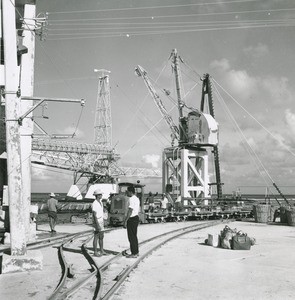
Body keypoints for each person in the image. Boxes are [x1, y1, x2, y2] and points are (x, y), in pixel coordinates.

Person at [123, 186, 140, 258]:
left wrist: (125, 221)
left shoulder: (132, 199)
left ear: (130, 192)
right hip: (136, 218)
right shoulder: (137, 198)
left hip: (132, 219)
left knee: (131, 237)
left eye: (127, 191)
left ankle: (134, 253)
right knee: (134, 236)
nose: (126, 193)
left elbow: (130, 211)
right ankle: (136, 251)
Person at [92, 189, 107, 257]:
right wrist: (97, 224)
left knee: (101, 236)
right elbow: (94, 215)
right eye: (100, 194)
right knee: (96, 236)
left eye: (101, 194)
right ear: (97, 195)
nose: (101, 195)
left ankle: (101, 250)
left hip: (101, 220)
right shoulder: (94, 203)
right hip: (97, 221)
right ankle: (95, 251)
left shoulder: (100, 202)